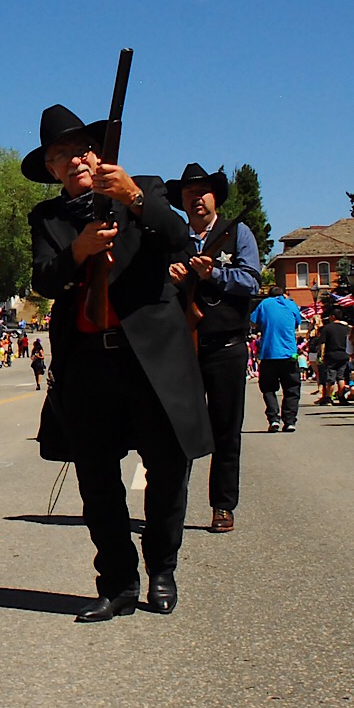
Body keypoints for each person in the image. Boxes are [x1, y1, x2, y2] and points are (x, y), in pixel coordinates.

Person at [24, 104, 212, 621]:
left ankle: (162, 568)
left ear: (99, 153)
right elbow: (44, 280)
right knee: (98, 480)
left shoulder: (143, 188)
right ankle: (117, 583)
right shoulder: (48, 218)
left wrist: (130, 198)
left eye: (80, 150)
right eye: (60, 156)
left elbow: (177, 239)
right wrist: (78, 251)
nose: (73, 161)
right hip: (88, 365)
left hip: (152, 361)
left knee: (169, 468)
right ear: (51, 170)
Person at [166, 163, 259, 534]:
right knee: (179, 430)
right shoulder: (174, 239)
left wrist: (213, 275)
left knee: (226, 430)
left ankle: (223, 506)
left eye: (202, 191)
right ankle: (171, 508)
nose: (196, 199)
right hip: (184, 348)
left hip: (227, 346)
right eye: (189, 194)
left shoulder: (238, 234)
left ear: (214, 196)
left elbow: (250, 281)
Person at [250, 287, 303, 433]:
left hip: (269, 353)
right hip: (289, 354)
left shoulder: (264, 304)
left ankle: (274, 419)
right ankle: (290, 421)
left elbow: (253, 321)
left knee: (268, 388)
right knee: (292, 388)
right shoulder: (291, 304)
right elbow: (297, 322)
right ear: (283, 294)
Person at [309, 307, 350, 406]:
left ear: (333, 316)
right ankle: (341, 397)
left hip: (331, 355)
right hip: (344, 354)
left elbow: (322, 343)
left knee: (331, 378)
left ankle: (328, 398)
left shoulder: (327, 328)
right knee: (341, 377)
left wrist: (321, 355)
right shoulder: (346, 329)